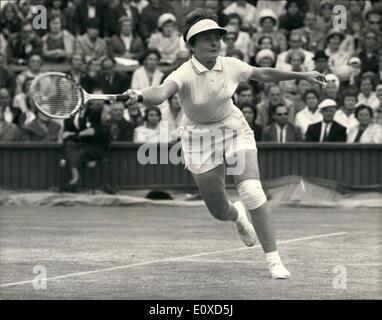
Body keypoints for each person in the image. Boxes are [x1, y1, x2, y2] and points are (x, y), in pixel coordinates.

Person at [124, 8, 326, 279]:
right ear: (191, 45)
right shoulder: (182, 74)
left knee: (253, 191)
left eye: (217, 37)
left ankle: (274, 260)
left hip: (233, 130)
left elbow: (262, 74)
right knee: (219, 210)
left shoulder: (230, 65)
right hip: (198, 139)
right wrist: (138, 94)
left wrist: (301, 76)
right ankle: (237, 216)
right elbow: (160, 93)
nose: (214, 42)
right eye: (206, 38)